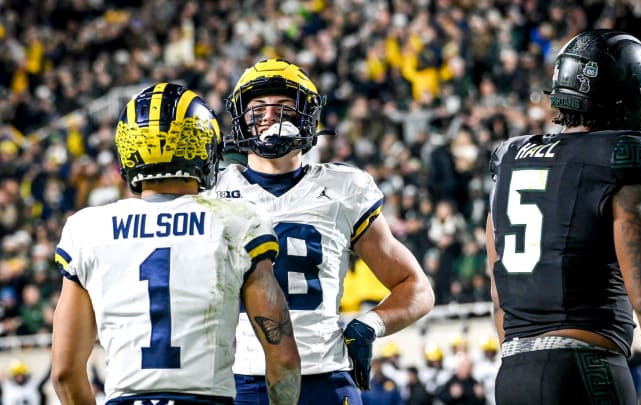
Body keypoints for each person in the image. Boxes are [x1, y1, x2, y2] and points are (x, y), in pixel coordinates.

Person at [486, 30, 641, 404]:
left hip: (512, 373)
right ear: (624, 96)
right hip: (585, 368)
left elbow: (498, 296)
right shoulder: (618, 158)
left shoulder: (511, 160)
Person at [51, 82, 301, 405]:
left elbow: (64, 373)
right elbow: (283, 359)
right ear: (203, 146)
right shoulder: (237, 222)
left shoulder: (87, 229)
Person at [211, 58, 435, 404]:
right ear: (241, 119)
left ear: (307, 116)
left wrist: (369, 326)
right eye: (257, 109)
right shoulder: (210, 192)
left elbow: (417, 288)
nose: (269, 117)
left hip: (323, 374)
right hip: (235, 379)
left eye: (283, 107)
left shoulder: (343, 187)